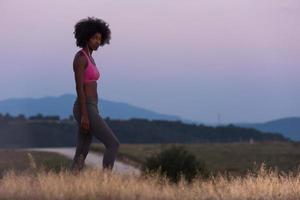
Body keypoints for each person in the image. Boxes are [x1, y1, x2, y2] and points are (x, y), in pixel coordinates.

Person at [70, 17, 120, 173]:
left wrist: (91, 110)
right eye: (95, 38)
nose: (98, 41)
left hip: (92, 107)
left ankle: (70, 182)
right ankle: (105, 184)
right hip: (84, 106)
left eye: (100, 38)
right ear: (86, 37)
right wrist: (85, 114)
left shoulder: (91, 58)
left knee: (83, 149)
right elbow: (79, 87)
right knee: (113, 143)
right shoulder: (80, 58)